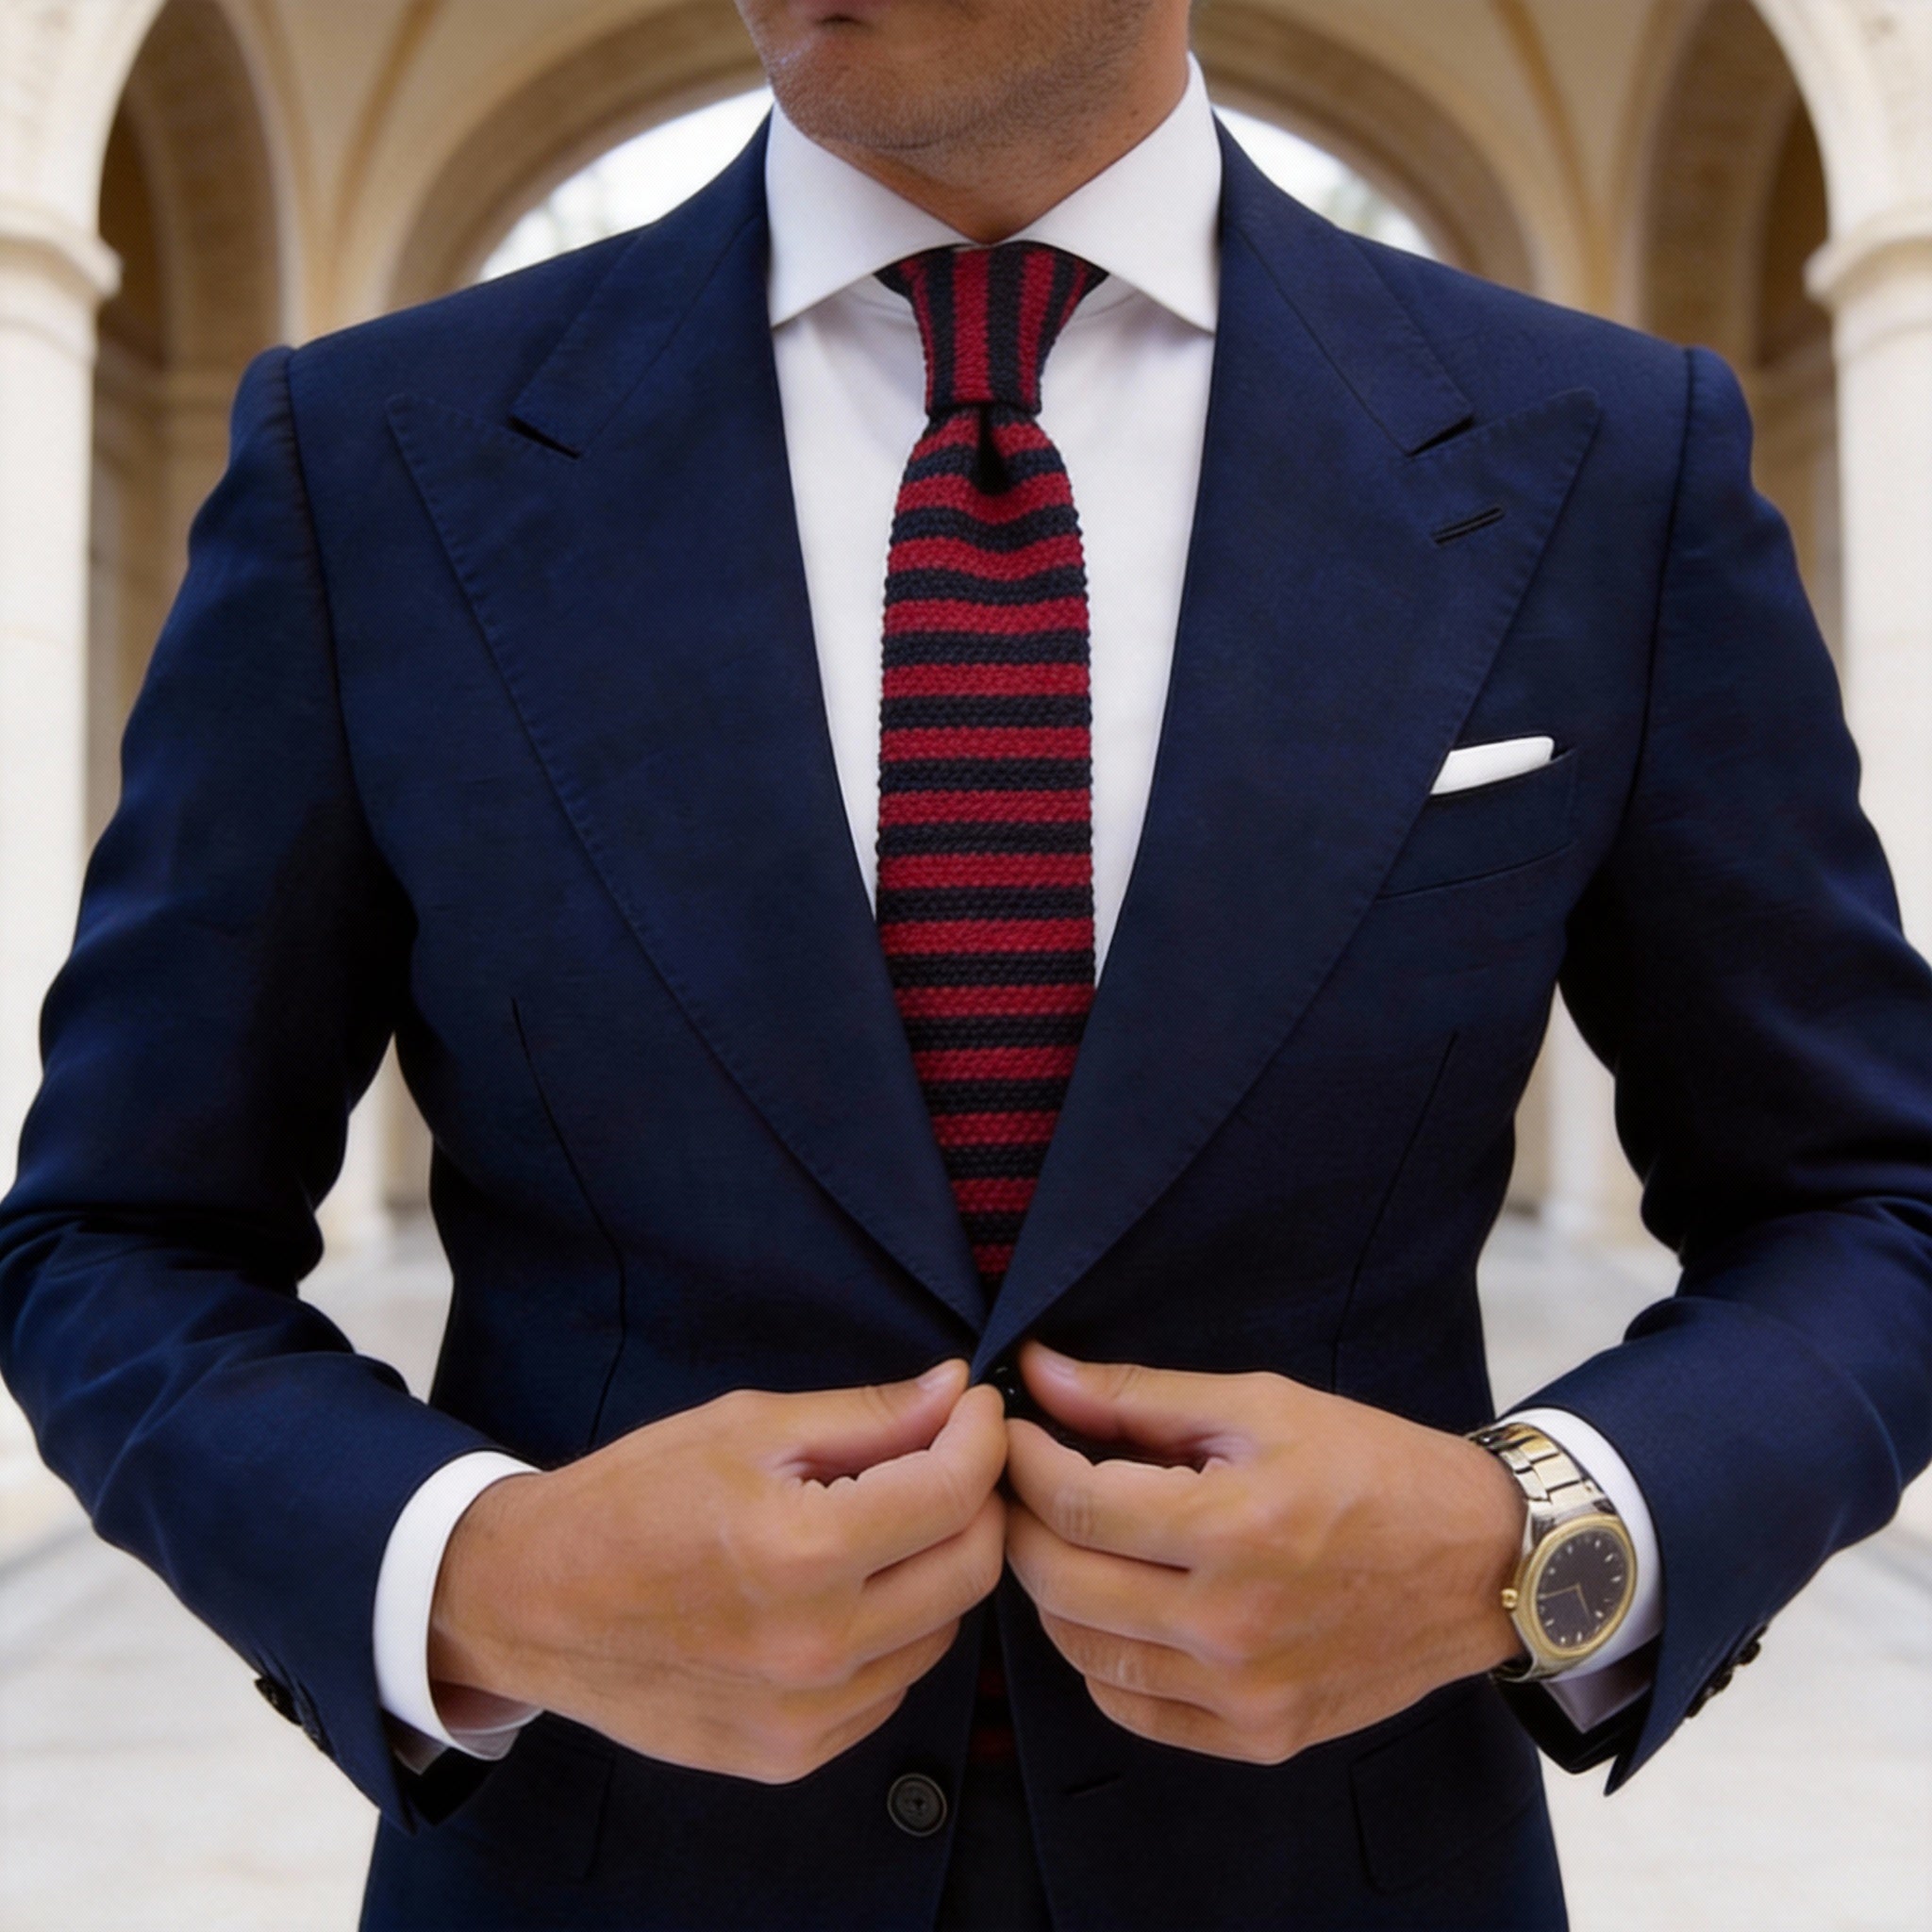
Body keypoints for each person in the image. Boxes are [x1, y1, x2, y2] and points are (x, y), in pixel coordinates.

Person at [3, 0, 1929, 1926]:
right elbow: (114, 1236)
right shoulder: (371, 463)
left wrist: (1533, 1536)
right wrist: (479, 1574)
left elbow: (1868, 1198)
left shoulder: (1601, 458)